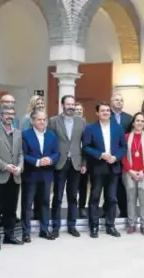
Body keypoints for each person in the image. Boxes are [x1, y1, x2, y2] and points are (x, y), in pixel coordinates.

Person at [83, 102, 127, 238]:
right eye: (103, 111)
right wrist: (100, 155)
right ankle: (94, 226)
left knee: (112, 198)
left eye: (108, 110)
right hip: (97, 167)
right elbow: (86, 147)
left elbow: (123, 147)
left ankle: (110, 225)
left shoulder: (118, 128)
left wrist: (116, 157)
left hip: (113, 167)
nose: (106, 113)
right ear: (97, 113)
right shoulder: (90, 128)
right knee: (95, 197)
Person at [0, 103, 24, 249]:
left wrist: (20, 167)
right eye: (6, 114)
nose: (9, 116)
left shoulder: (18, 132)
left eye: (12, 114)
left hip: (15, 176)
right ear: (1, 116)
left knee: (12, 208)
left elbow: (20, 153)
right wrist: (5, 166)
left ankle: (10, 235)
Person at [48, 96, 86, 238]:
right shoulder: (53, 121)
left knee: (73, 196)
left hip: (76, 162)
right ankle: (55, 227)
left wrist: (84, 163)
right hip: (60, 162)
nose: (71, 107)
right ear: (62, 105)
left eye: (73, 104)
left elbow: (85, 144)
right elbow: (50, 141)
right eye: (68, 104)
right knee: (57, 196)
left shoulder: (81, 121)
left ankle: (72, 225)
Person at [21, 110, 60, 242]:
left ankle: (44, 229)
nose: (42, 122)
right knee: (27, 204)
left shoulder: (52, 135)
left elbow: (57, 153)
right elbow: (23, 154)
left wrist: (50, 159)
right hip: (31, 173)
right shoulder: (25, 135)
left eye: (44, 119)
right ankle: (26, 232)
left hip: (47, 174)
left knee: (44, 202)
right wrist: (37, 161)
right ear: (32, 121)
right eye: (39, 119)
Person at [122, 112, 144, 236]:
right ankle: (131, 224)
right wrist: (130, 170)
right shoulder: (126, 137)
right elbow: (123, 156)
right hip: (129, 173)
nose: (140, 123)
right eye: (138, 120)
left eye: (142, 121)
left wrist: (143, 171)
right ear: (133, 122)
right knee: (131, 199)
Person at [110, 93, 132, 218]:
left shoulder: (128, 118)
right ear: (111, 101)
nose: (119, 102)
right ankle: (109, 211)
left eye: (121, 100)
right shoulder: (107, 115)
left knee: (123, 185)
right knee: (110, 185)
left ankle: (124, 211)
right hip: (110, 155)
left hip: (125, 154)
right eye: (116, 100)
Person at [75, 102, 89, 218]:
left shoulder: (87, 126)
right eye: (76, 109)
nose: (79, 111)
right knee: (73, 185)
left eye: (80, 109)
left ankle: (82, 207)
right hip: (72, 159)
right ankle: (73, 207)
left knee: (83, 185)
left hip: (84, 159)